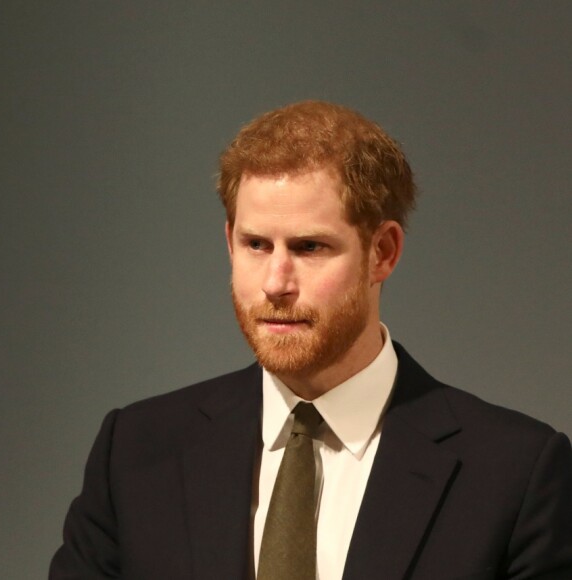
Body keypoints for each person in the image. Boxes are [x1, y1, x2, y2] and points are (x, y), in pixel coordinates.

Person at [50, 101, 572, 580]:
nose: (276, 282)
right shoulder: (137, 451)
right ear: (228, 242)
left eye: (309, 247)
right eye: (255, 244)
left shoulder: (515, 473)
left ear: (383, 253)